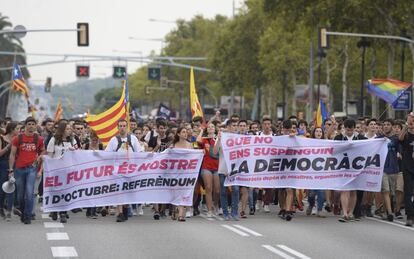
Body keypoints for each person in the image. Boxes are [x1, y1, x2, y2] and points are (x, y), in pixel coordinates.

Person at [8, 117, 45, 224]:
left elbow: (43, 152)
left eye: (33, 124)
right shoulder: (17, 138)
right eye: (29, 124)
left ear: (36, 126)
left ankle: (27, 216)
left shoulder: (39, 139)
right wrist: (11, 169)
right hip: (19, 169)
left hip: (32, 169)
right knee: (20, 194)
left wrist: (39, 157)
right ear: (25, 125)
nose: (31, 126)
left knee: (29, 193)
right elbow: (12, 154)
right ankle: (23, 211)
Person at [105, 119, 143, 222]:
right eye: (120, 126)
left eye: (124, 126)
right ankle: (120, 213)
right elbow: (107, 154)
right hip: (118, 170)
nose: (122, 128)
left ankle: (125, 208)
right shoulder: (113, 140)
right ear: (117, 127)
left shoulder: (133, 139)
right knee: (119, 191)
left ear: (127, 127)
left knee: (128, 191)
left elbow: (139, 152)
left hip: (131, 170)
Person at [334, 119, 367, 222]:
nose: (349, 131)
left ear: (353, 128)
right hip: (343, 167)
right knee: (345, 190)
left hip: (356, 168)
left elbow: (371, 144)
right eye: (347, 129)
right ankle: (344, 213)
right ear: (344, 128)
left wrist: (382, 140)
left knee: (353, 191)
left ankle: (351, 212)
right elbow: (333, 150)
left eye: (351, 129)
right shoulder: (339, 138)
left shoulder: (360, 138)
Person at [47, 121, 76, 223]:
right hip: (57, 170)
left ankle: (63, 212)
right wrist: (49, 170)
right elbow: (49, 156)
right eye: (67, 129)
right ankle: (55, 209)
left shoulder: (72, 140)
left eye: (70, 129)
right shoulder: (54, 140)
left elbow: (77, 153)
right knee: (57, 191)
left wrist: (74, 151)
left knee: (66, 191)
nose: (70, 131)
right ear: (62, 130)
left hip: (68, 170)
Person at [380, 119, 401, 222]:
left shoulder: (396, 139)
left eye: (388, 124)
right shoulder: (379, 138)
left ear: (392, 126)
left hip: (394, 169)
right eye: (384, 125)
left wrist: (399, 153)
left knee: (392, 193)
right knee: (385, 191)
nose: (386, 126)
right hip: (383, 169)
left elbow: (400, 149)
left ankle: (384, 210)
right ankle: (390, 213)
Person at [197, 122, 220, 218]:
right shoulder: (204, 140)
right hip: (206, 167)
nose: (210, 128)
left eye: (212, 127)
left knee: (217, 190)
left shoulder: (218, 139)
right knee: (208, 188)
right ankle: (209, 209)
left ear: (215, 129)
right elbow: (198, 141)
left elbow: (217, 151)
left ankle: (216, 205)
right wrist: (201, 131)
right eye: (209, 127)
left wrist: (219, 138)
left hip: (217, 167)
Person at [170, 127, 194, 221]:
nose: (185, 133)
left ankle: (180, 214)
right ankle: (175, 208)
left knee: (184, 192)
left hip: (186, 172)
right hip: (175, 172)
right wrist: (170, 150)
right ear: (178, 134)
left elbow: (193, 158)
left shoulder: (190, 145)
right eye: (183, 132)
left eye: (186, 132)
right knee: (176, 192)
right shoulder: (174, 145)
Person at [306, 127, 327, 218]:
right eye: (317, 131)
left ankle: (319, 210)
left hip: (321, 173)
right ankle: (311, 204)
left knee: (321, 192)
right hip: (311, 173)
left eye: (320, 131)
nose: (318, 133)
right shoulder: (308, 143)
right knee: (311, 193)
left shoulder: (326, 144)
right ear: (313, 133)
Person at [83, 130, 104, 219]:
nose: (95, 141)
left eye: (96, 140)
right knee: (89, 192)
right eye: (93, 140)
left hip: (98, 172)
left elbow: (104, 157)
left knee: (96, 192)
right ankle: (89, 210)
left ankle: (93, 211)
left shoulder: (101, 146)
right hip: (88, 172)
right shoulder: (86, 146)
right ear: (90, 139)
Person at [0, 122, 18, 221]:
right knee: (3, 187)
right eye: (17, 129)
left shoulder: (18, 139)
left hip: (15, 164)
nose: (19, 131)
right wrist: (9, 146)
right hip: (3, 163)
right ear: (11, 129)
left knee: (12, 186)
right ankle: (1, 207)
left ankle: (9, 210)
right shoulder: (2, 138)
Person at [399, 112, 414, 227]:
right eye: (411, 121)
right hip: (408, 168)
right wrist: (406, 125)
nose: (412, 124)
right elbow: (400, 138)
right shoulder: (406, 135)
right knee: (408, 192)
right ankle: (409, 216)